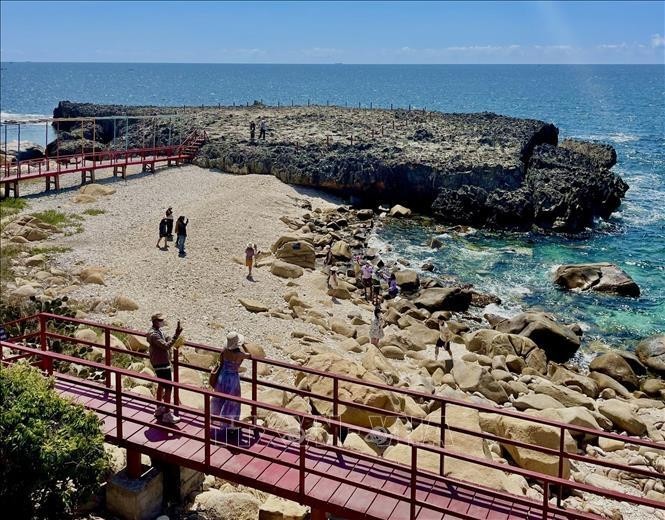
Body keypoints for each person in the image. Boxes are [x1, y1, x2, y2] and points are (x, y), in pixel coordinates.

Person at [210, 332, 251, 442]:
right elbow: (250, 354)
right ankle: (231, 426)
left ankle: (219, 421)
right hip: (232, 378)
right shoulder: (240, 354)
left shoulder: (225, 350)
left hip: (222, 376)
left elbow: (221, 362)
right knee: (233, 403)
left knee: (220, 399)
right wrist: (243, 345)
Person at [147, 313, 183, 424]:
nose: (162, 321)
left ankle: (159, 408)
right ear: (155, 321)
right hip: (162, 364)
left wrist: (171, 337)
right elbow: (166, 346)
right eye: (160, 320)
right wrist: (176, 335)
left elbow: (166, 338)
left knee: (161, 385)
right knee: (168, 387)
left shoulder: (157, 332)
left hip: (159, 363)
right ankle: (167, 413)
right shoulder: (154, 335)